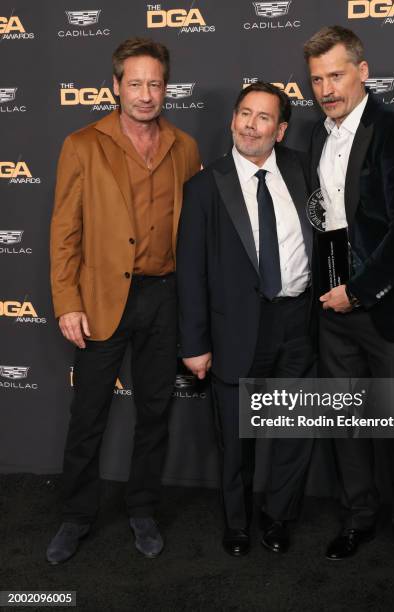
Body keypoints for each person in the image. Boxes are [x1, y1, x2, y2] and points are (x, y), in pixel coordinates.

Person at [47, 37, 201, 564]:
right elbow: (65, 230)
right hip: (102, 298)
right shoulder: (83, 144)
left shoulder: (185, 147)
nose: (144, 94)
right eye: (134, 83)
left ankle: (142, 508)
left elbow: (194, 236)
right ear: (116, 86)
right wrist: (67, 300)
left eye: (154, 83)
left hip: (164, 298)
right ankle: (75, 515)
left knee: (155, 412)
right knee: (88, 413)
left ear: (166, 87)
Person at [304, 26, 394, 594]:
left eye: (335, 75)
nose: (325, 89)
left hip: (385, 308)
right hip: (331, 308)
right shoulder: (315, 137)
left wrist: (358, 290)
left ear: (363, 71)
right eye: (316, 79)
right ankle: (360, 518)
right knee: (345, 423)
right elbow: (326, 219)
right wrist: (328, 288)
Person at [177, 82, 314, 556]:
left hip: (299, 322)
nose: (250, 125)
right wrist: (194, 342)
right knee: (237, 438)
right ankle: (237, 524)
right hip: (235, 328)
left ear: (280, 130)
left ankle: (279, 518)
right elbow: (190, 271)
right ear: (232, 119)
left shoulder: (304, 171)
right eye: (244, 114)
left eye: (262, 118)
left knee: (295, 431)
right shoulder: (203, 186)